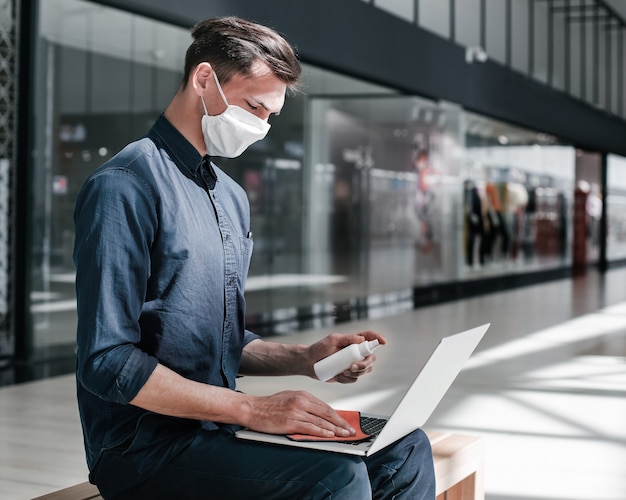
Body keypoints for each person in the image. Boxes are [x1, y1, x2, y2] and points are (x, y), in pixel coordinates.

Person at [73, 16, 435, 499]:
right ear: (204, 79)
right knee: (336, 480)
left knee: (404, 447)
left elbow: (210, 339)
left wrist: (305, 359)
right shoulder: (125, 186)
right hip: (143, 447)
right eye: (253, 107)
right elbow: (106, 360)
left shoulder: (229, 196)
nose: (260, 127)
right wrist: (253, 410)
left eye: (271, 116)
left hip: (216, 426)